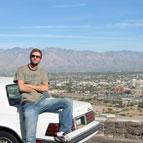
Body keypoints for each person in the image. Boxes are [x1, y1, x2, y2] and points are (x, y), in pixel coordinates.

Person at [14, 48, 73, 143]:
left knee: (68, 102)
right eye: (33, 56)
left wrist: (28, 85)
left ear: (40, 58)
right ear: (30, 57)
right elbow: (21, 88)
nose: (35, 58)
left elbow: (45, 88)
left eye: (37, 56)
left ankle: (61, 133)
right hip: (29, 105)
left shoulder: (43, 72)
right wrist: (38, 87)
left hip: (43, 101)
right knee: (29, 137)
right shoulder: (21, 70)